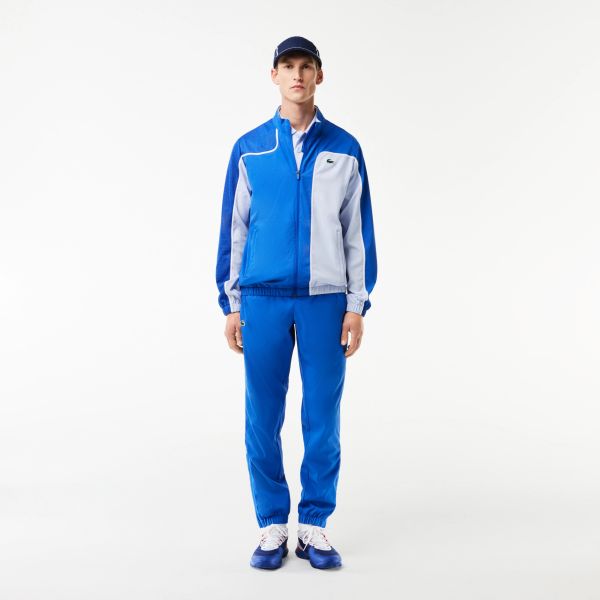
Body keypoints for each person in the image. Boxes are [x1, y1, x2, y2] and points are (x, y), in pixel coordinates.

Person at [215, 35, 377, 570]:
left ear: (319, 75)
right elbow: (234, 229)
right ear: (274, 76)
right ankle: (271, 525)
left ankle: (313, 525)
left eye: (307, 66)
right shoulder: (250, 148)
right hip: (261, 300)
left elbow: (357, 233)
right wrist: (231, 303)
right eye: (288, 66)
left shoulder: (345, 149)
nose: (298, 75)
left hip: (325, 302)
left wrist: (356, 304)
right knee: (262, 416)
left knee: (322, 416)